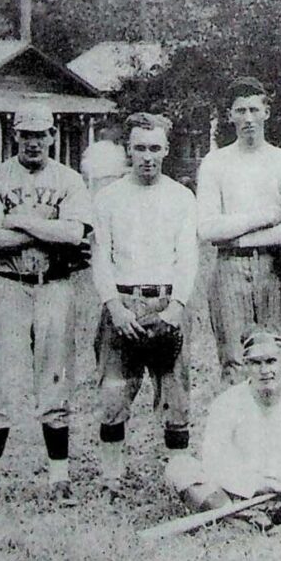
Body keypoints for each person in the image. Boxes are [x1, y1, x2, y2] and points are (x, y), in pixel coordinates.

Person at [0, 102, 94, 506]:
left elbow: (74, 234)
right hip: (7, 284)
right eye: (27, 134)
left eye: (41, 134)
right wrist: (46, 230)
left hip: (54, 285)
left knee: (55, 379)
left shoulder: (70, 179)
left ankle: (59, 478)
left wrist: (17, 220)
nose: (34, 142)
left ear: (53, 136)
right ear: (16, 135)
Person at [90, 113, 198, 496]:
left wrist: (176, 307)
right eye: (140, 148)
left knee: (176, 396)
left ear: (166, 150)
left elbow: (187, 257)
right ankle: (111, 477)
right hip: (122, 303)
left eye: (155, 148)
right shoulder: (108, 198)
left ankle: (177, 477)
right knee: (115, 392)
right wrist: (115, 308)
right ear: (127, 150)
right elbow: (100, 257)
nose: (147, 156)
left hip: (166, 303)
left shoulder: (181, 198)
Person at [165, 328, 281, 531]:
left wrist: (268, 481)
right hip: (236, 493)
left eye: (271, 361)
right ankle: (250, 520)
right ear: (246, 365)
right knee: (179, 467)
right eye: (256, 363)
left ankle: (256, 520)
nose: (265, 371)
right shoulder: (226, 402)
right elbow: (214, 461)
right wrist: (251, 486)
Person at [196, 76, 281, 384]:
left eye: (254, 110)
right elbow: (207, 228)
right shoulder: (215, 163)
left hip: (275, 265)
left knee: (279, 354)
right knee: (235, 359)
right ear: (229, 115)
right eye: (240, 110)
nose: (248, 118)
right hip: (228, 269)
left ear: (266, 113)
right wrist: (264, 215)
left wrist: (236, 237)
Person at [81, 122, 129, 193]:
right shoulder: (118, 149)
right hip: (105, 180)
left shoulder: (92, 148)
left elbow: (85, 167)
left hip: (101, 180)